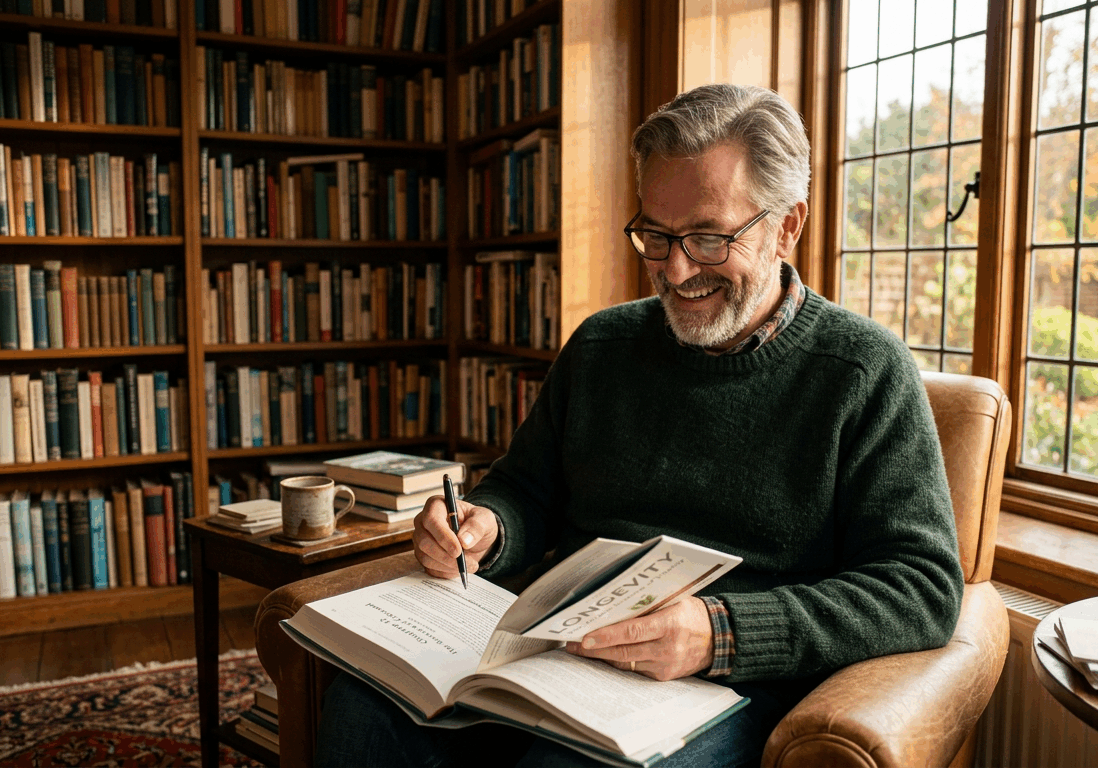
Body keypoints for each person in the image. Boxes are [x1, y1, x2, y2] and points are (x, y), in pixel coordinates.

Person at [315, 83, 964, 768]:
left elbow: (920, 586)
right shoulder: (602, 345)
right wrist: (486, 528)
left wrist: (722, 633)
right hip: (555, 651)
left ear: (786, 226)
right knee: (362, 710)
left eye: (709, 238)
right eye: (656, 235)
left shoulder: (863, 370)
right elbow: (525, 491)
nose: (675, 270)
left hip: (723, 686)